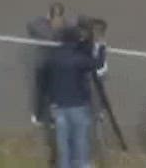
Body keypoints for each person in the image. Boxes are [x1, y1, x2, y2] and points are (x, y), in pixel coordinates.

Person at [37, 26, 102, 168]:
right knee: (80, 142)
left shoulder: (52, 58)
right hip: (78, 105)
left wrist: (43, 105)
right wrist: (101, 48)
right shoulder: (79, 58)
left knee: (63, 144)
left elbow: (43, 81)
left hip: (58, 106)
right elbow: (98, 64)